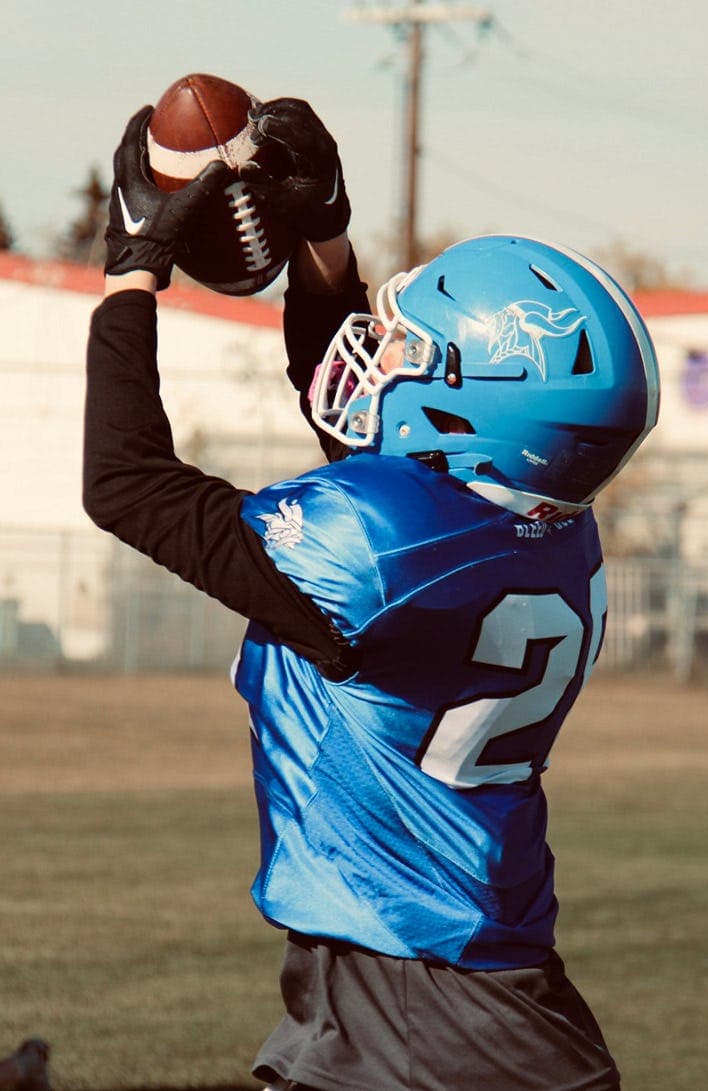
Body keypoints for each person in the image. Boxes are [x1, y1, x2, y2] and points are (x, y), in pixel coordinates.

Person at [84, 99, 659, 1091]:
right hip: (471, 986)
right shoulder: (545, 529)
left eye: (409, 350)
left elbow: (127, 483)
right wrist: (322, 232)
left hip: (417, 1000)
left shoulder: (382, 548)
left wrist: (133, 267)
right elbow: (368, 422)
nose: (379, 356)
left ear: (470, 405)